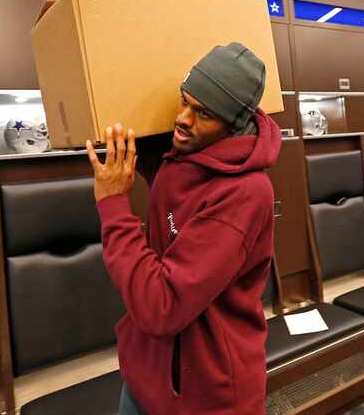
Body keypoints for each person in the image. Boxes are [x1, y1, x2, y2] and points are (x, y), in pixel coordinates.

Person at [86, 42, 282, 414]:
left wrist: (113, 204)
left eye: (203, 113)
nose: (183, 119)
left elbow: (162, 305)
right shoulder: (187, 153)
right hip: (148, 370)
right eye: (184, 102)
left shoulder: (244, 194)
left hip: (203, 394)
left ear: (233, 124)